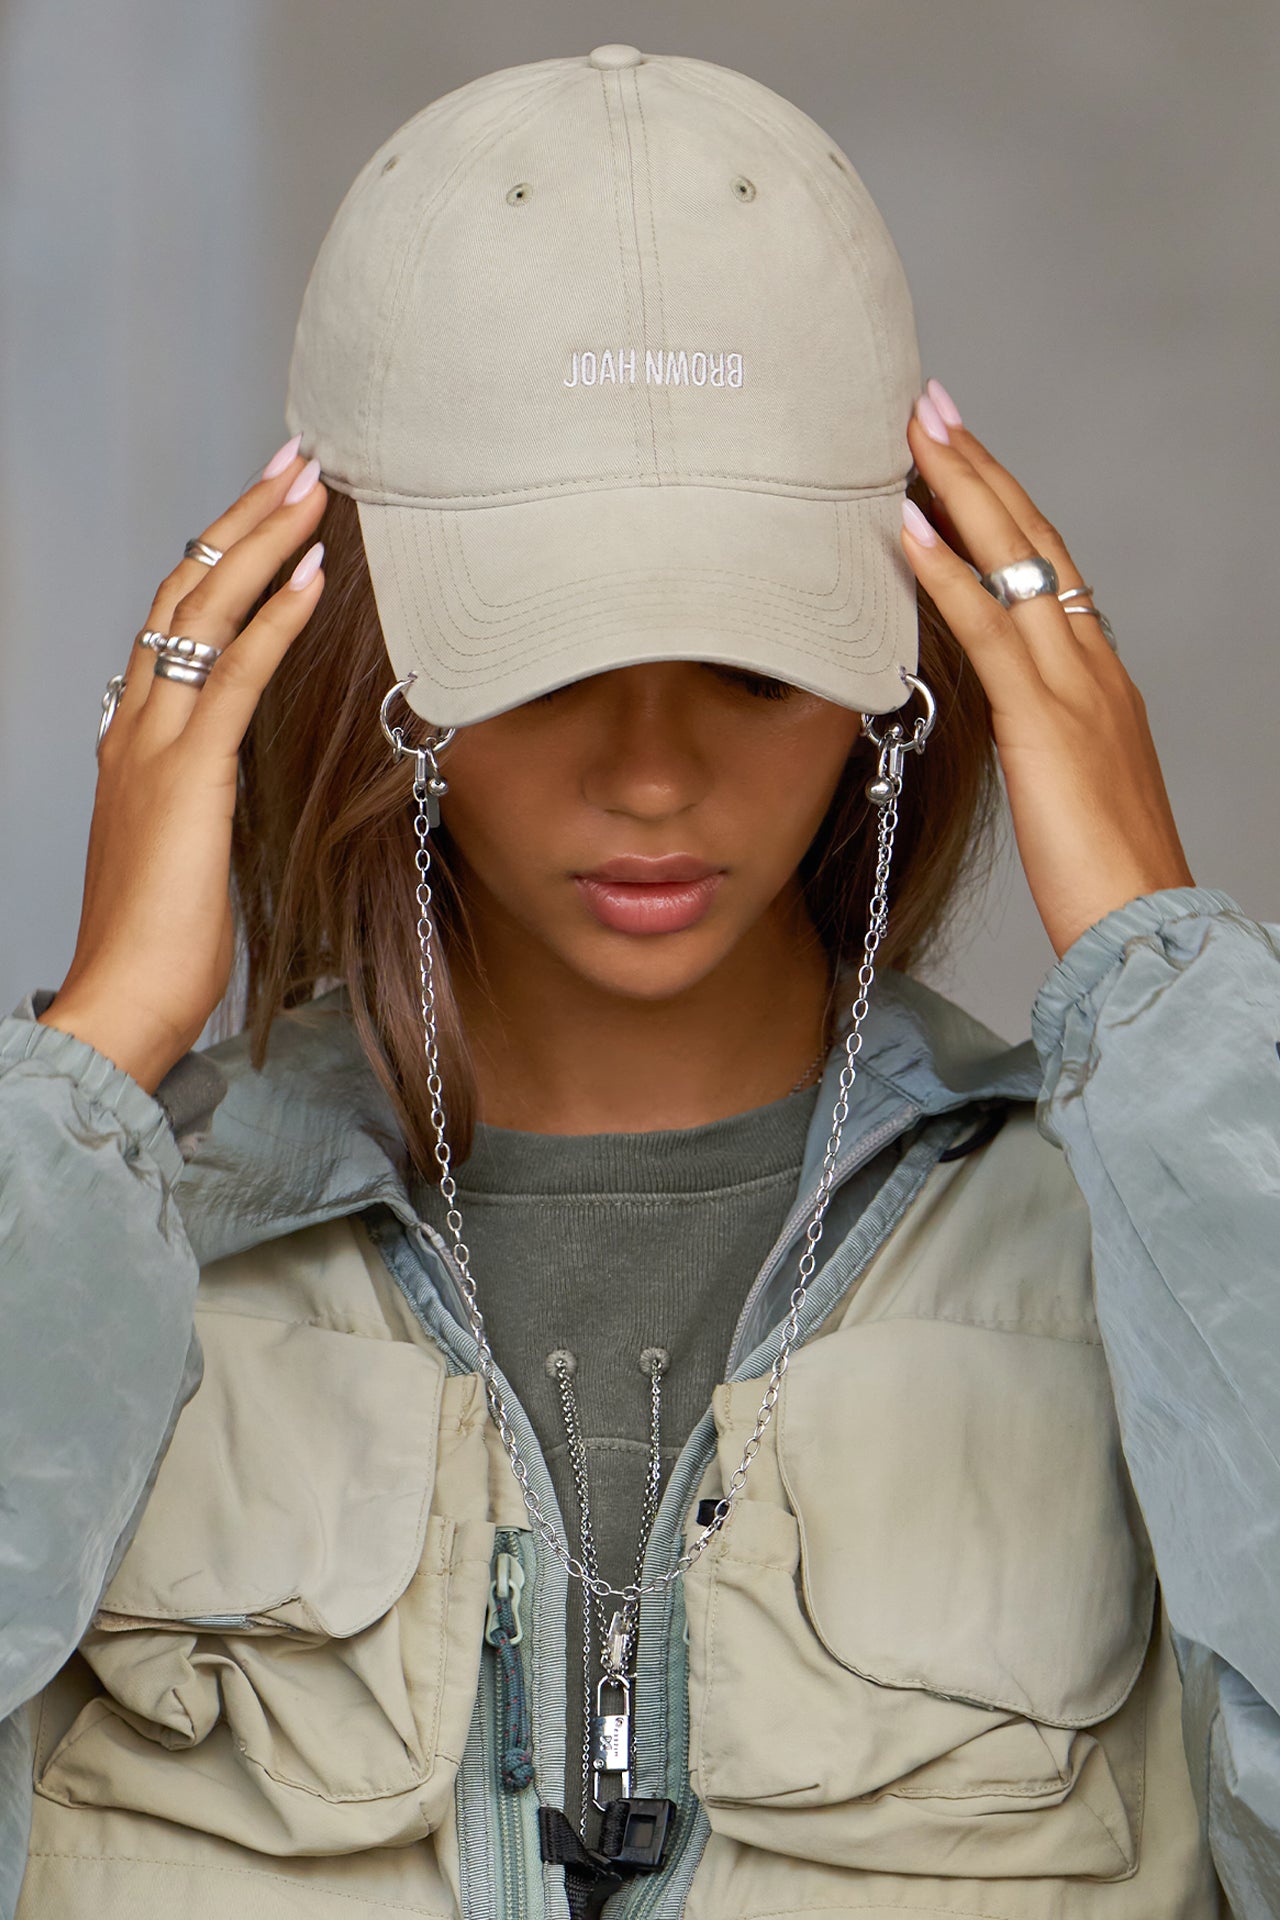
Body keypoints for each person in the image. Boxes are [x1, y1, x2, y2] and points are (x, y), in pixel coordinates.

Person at [0, 40, 1276, 1920]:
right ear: (351, 647)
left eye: (757, 669)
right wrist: (97, 1066)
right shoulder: (119, 1251)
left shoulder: (1141, 1251)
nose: (656, 775)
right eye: (541, 667)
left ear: (902, 671)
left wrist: (1180, 1022)